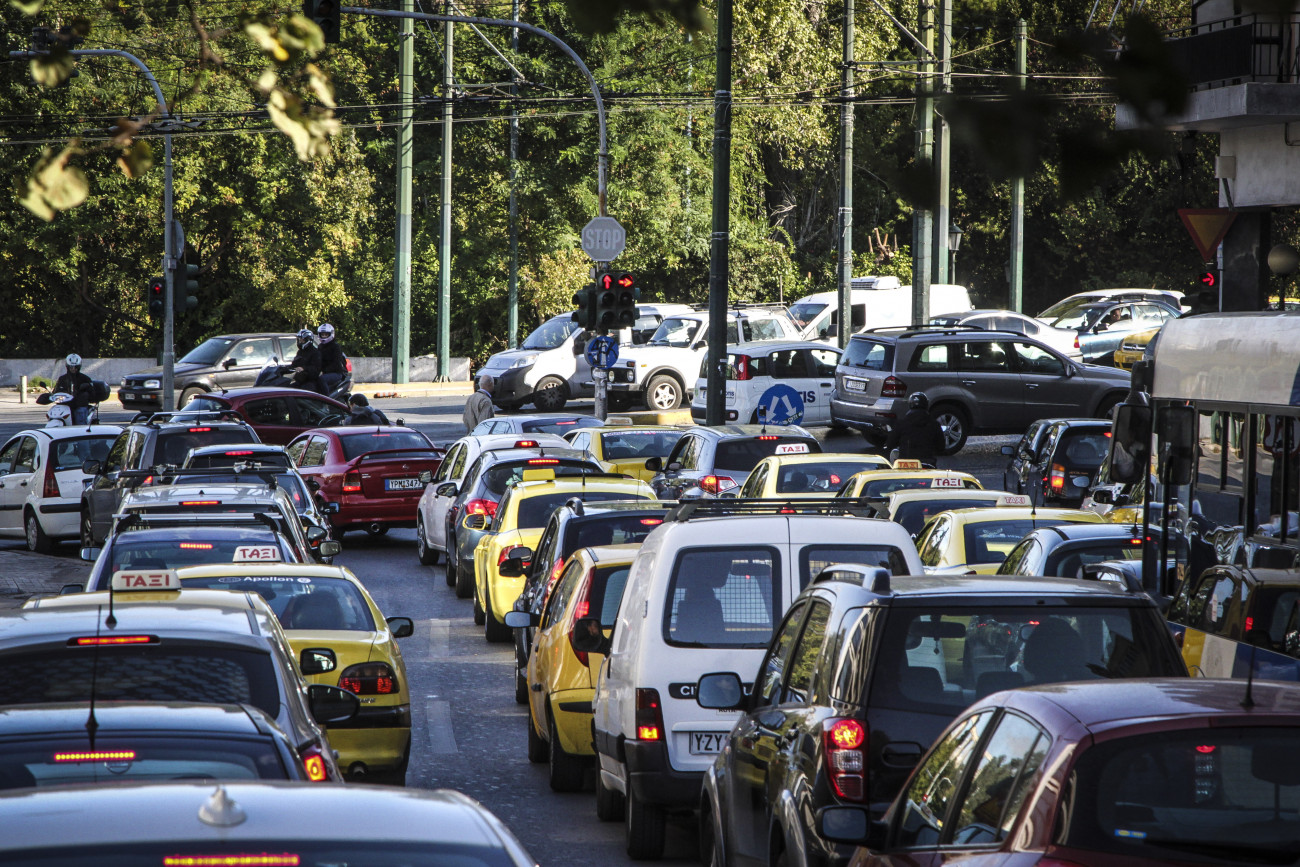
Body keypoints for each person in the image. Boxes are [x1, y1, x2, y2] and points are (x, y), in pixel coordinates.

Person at [883, 392, 944, 466]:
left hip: (905, 465)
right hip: (927, 463)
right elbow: (941, 447)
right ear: (926, 404)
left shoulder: (902, 423)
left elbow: (890, 444)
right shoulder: (934, 424)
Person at [54, 353, 93, 425]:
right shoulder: (62, 379)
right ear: (67, 367)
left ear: (79, 367)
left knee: (80, 421)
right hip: (65, 405)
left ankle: (82, 433)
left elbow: (92, 392)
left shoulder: (85, 378)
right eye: (71, 367)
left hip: (79, 405)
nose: (73, 369)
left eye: (75, 367)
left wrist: (83, 392)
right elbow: (56, 391)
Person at [317, 323, 347, 396]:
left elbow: (336, 363)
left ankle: (326, 400)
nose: (324, 336)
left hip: (337, 373)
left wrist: (323, 370)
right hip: (326, 372)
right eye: (322, 334)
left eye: (326, 335)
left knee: (322, 379)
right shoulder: (320, 347)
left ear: (331, 334)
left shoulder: (335, 347)